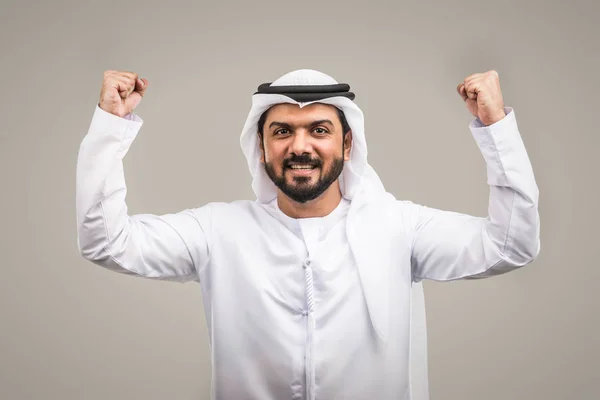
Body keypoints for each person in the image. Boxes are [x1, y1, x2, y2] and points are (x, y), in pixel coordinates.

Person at [76, 68, 540, 400]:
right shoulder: (218, 231)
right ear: (261, 148)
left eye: (319, 129)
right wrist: (110, 127)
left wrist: (495, 128)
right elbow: (106, 241)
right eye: (282, 131)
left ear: (347, 142)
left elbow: (512, 245)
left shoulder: (400, 227)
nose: (300, 146)